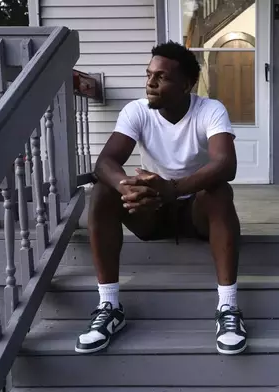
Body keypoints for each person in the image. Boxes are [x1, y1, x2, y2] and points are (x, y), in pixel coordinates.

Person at [74, 41, 246, 356]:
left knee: (220, 190)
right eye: (148, 75)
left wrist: (174, 188)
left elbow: (226, 164)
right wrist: (127, 185)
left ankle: (228, 308)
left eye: (161, 77)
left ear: (187, 84)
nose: (150, 84)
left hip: (195, 214)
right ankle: (109, 306)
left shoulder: (209, 110)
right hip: (150, 212)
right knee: (102, 189)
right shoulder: (137, 111)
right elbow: (105, 163)